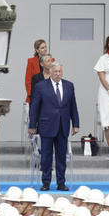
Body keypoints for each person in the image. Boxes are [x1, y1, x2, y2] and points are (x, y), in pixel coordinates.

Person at [29, 62, 80, 191]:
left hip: (63, 125)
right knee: (46, 156)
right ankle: (45, 182)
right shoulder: (41, 86)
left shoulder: (69, 86)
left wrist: (76, 124)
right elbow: (34, 107)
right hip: (46, 125)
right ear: (50, 72)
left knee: (61, 156)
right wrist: (32, 125)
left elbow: (73, 105)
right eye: (55, 71)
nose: (58, 74)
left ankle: (61, 183)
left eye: (60, 71)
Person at [25, 39, 48, 104]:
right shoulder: (31, 61)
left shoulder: (51, 60)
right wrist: (31, 95)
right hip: (35, 95)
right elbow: (28, 81)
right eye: (42, 48)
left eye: (45, 47)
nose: (45, 49)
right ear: (37, 50)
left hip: (48, 96)